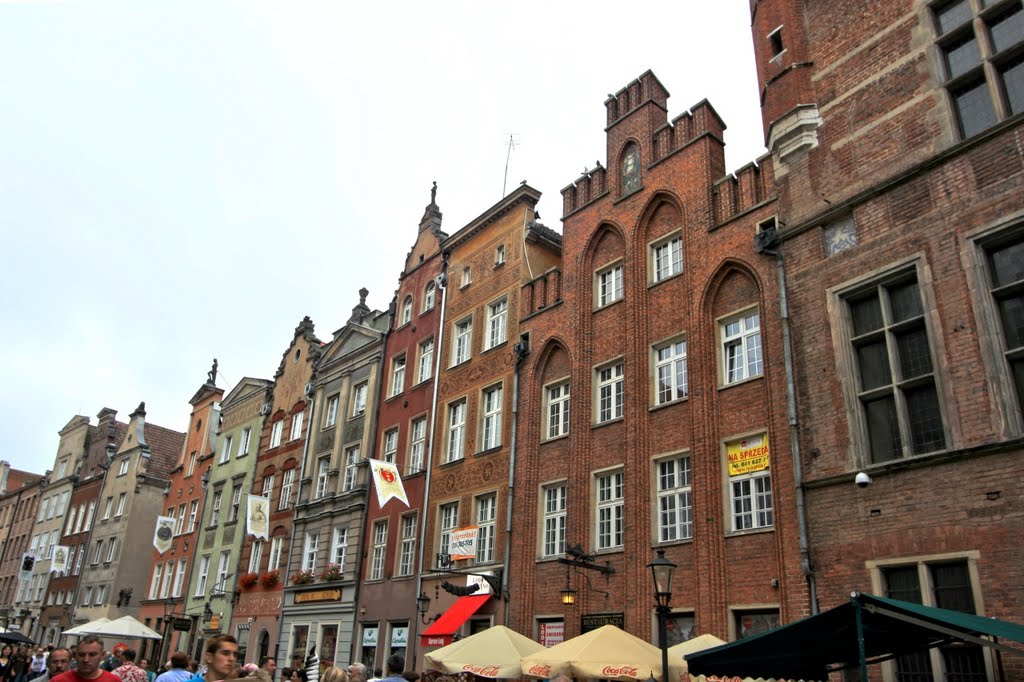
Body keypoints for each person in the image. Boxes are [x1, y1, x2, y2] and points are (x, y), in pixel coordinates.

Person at [50, 636, 120, 682]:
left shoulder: (113, 680)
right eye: (81, 655)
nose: (86, 660)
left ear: (102, 655)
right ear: (76, 656)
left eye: (92, 655)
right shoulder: (58, 680)